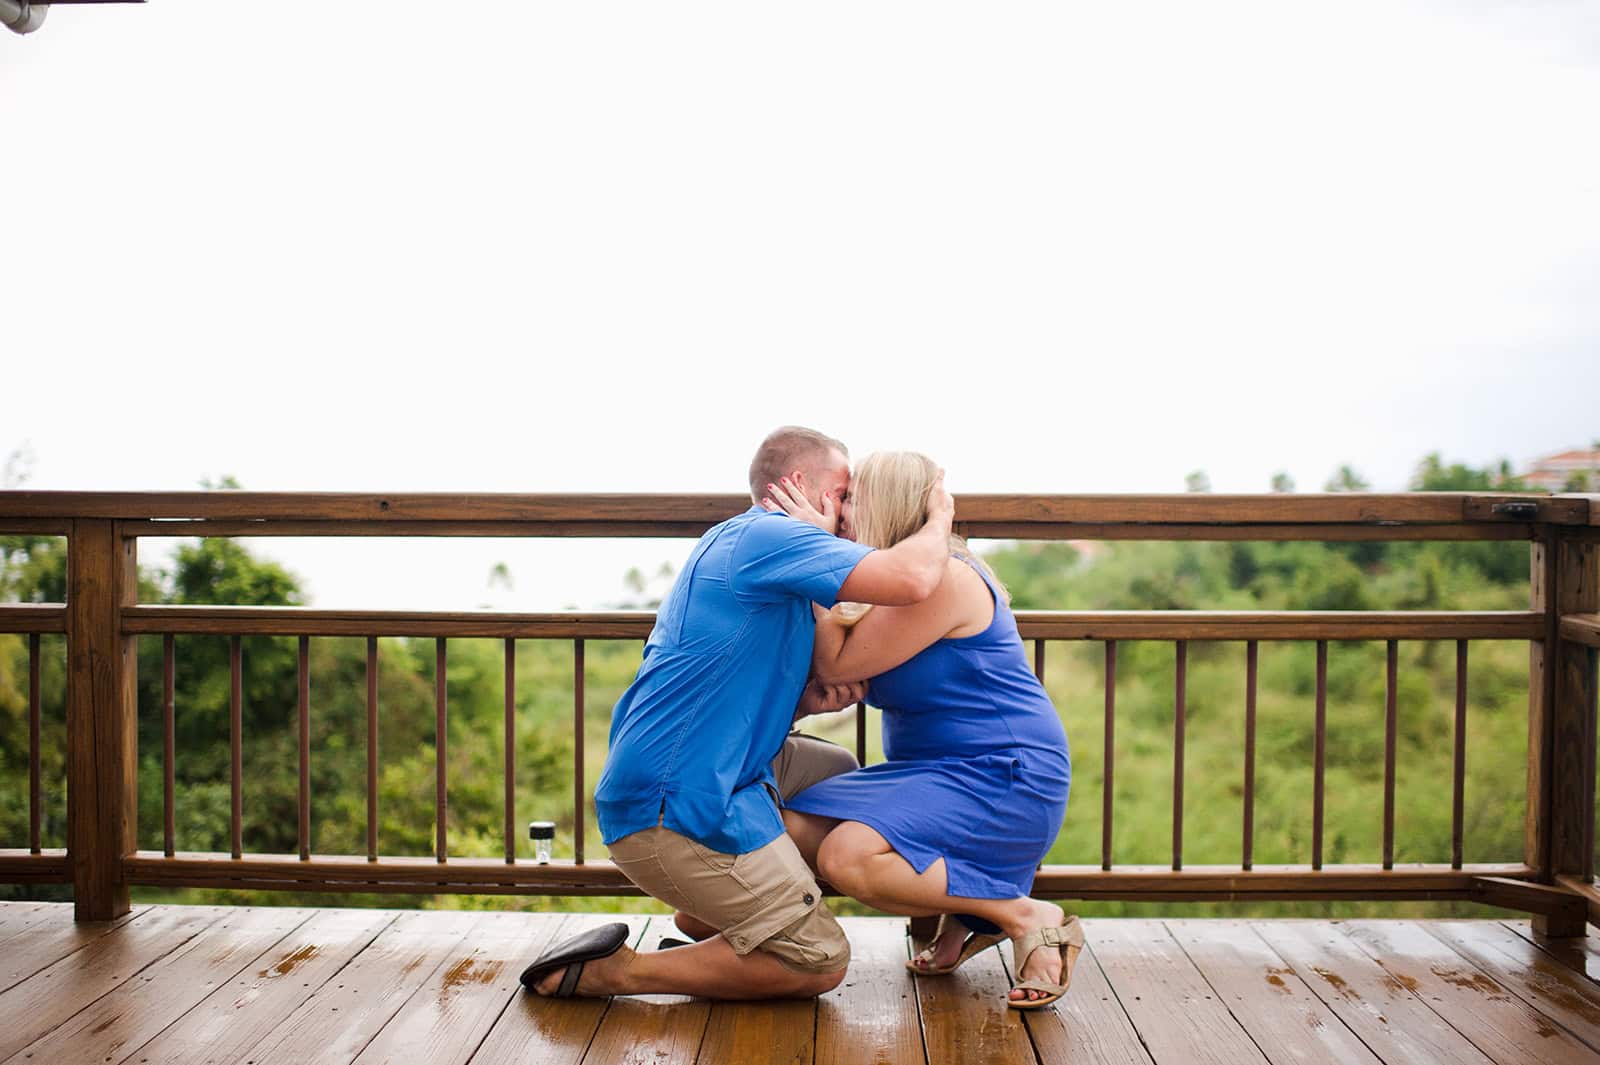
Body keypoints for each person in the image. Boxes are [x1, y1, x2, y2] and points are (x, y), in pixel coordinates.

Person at [520, 427, 956, 1000]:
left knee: (836, 777)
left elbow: (725, 681)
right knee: (819, 962)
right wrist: (939, 511)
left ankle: (723, 924)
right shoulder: (767, 537)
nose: (852, 511)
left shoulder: (753, 550)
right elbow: (913, 578)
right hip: (673, 803)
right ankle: (621, 971)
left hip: (703, 776)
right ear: (802, 485)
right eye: (845, 493)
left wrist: (801, 703)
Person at [774, 451, 1080, 1010]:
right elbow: (832, 675)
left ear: (883, 506)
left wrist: (808, 554)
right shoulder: (887, 583)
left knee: (847, 856)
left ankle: (1021, 915)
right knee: (783, 829)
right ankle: (969, 915)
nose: (836, 511)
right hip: (926, 774)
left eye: (849, 499)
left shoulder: (945, 579)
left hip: (1004, 773)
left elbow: (840, 666)